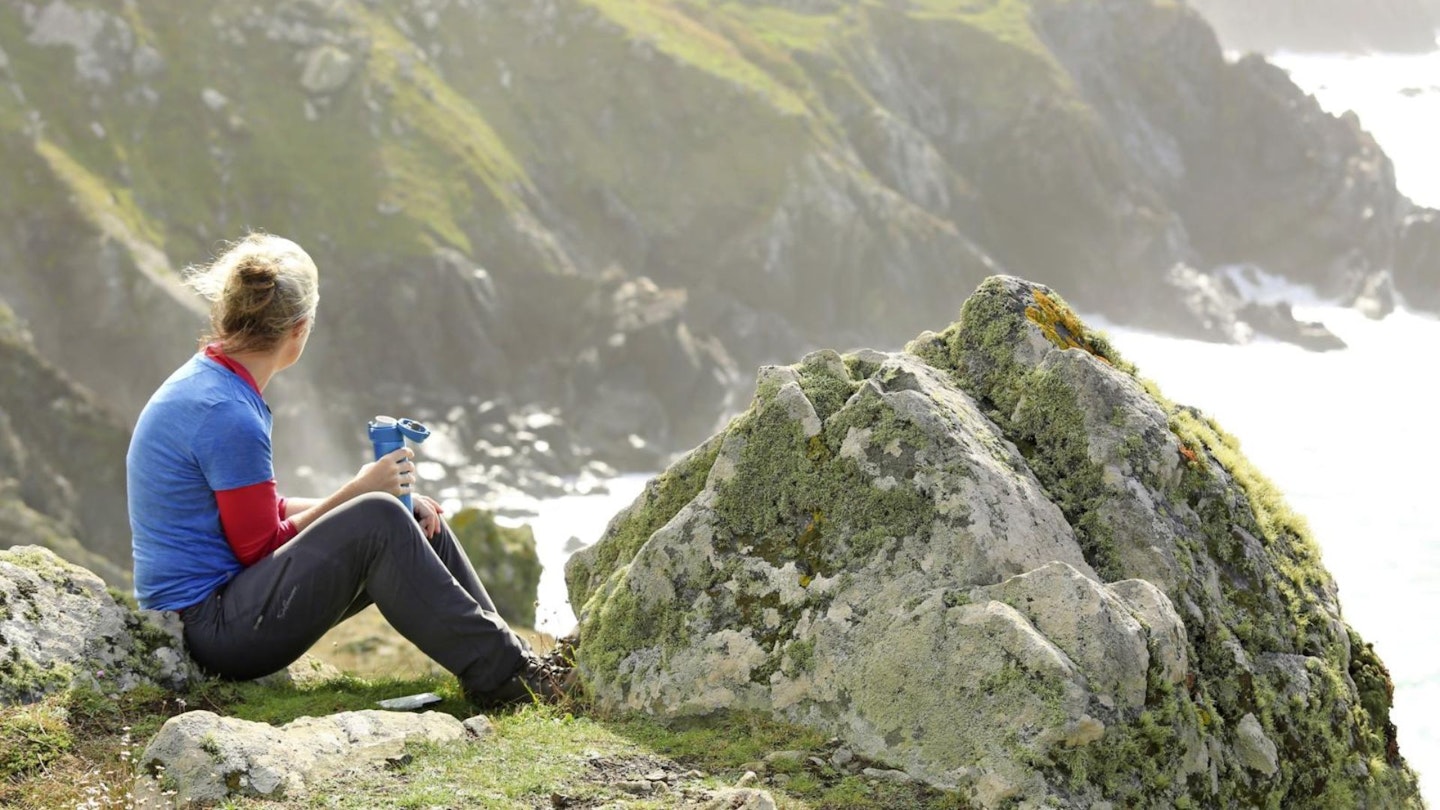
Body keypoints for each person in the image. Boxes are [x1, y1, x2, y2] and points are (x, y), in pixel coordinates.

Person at [126, 233, 570, 707]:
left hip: (223, 608)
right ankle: (512, 680)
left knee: (414, 520)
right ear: (299, 329)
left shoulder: (210, 380)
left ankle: (516, 666)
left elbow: (257, 512)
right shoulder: (227, 413)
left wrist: (372, 498)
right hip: (210, 630)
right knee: (379, 516)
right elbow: (258, 545)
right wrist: (360, 492)